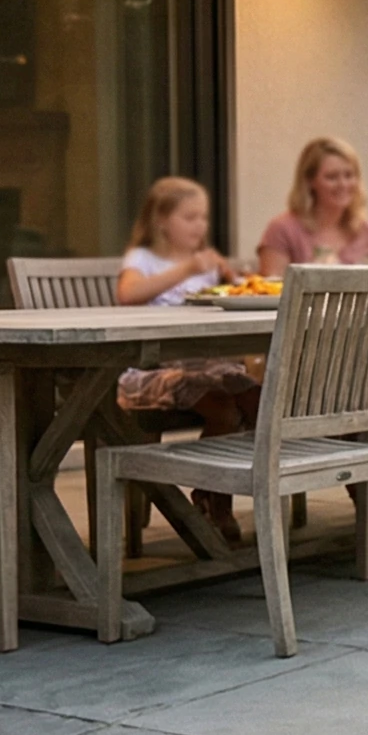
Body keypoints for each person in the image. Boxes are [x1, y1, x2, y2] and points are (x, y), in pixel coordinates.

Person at [117, 176, 260, 545]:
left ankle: (210, 491)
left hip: (205, 367)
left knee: (255, 397)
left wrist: (234, 279)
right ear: (161, 221)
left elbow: (231, 294)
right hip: (152, 371)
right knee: (224, 409)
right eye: (190, 217)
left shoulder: (206, 263)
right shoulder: (144, 259)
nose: (200, 225)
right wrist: (186, 270)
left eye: (204, 217)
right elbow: (128, 294)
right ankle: (217, 503)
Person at [254, 137, 368, 273]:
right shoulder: (281, 230)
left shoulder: (366, 231)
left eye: (349, 175)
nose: (343, 184)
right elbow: (272, 283)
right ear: (310, 181)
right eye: (332, 177)